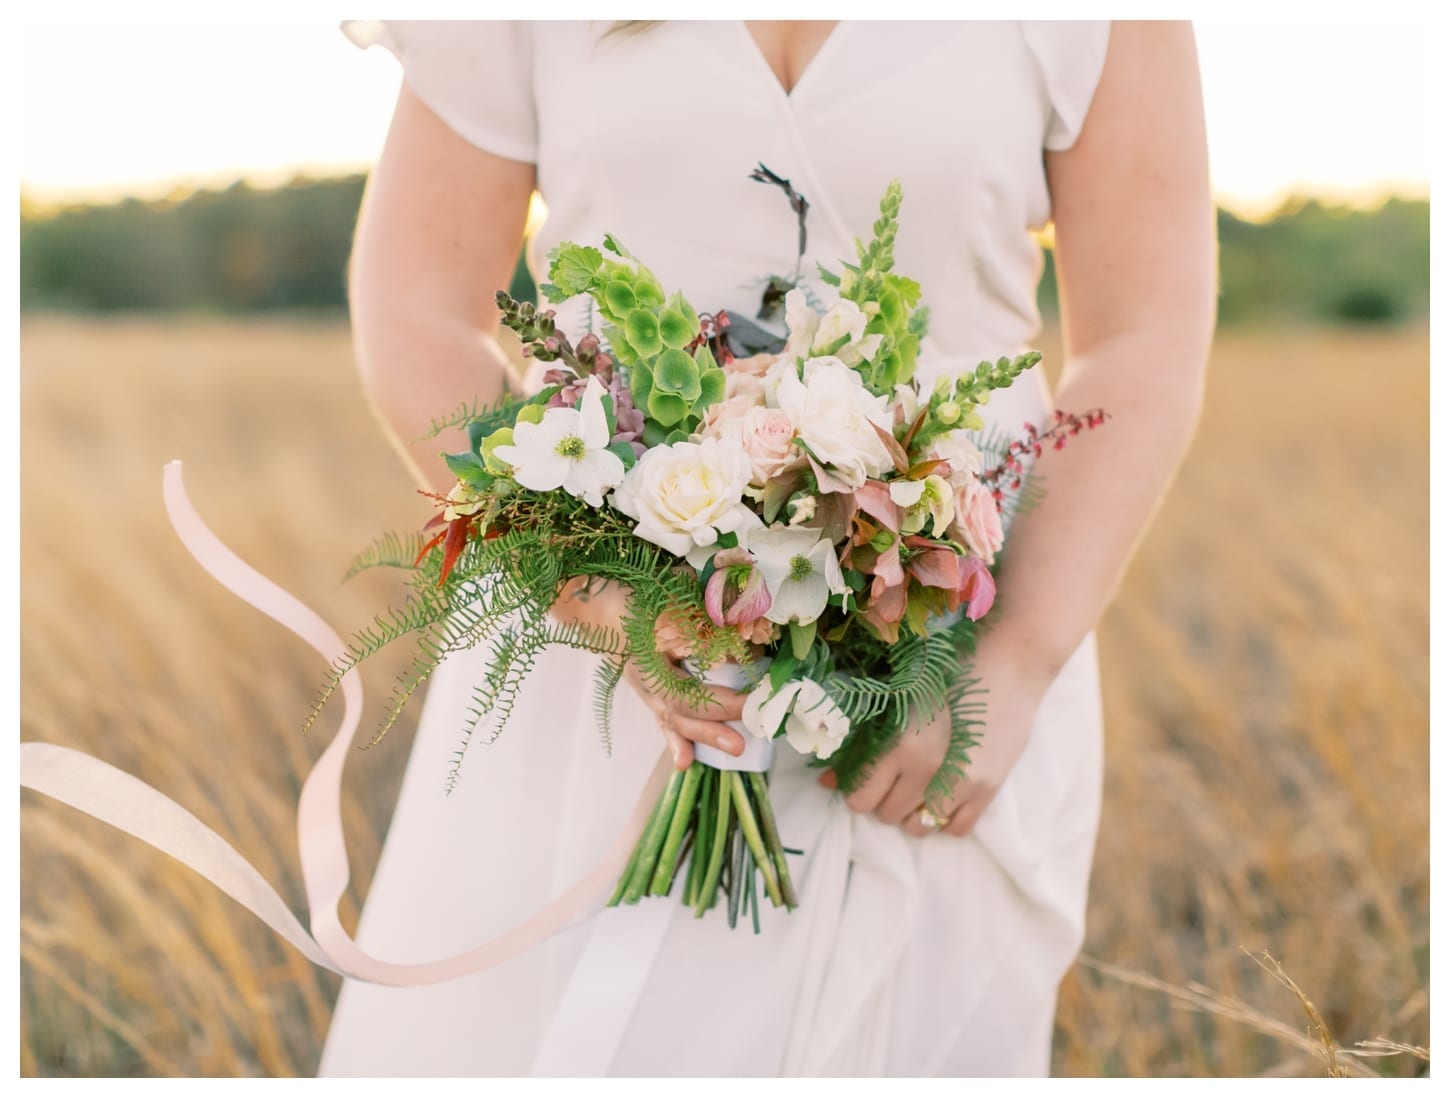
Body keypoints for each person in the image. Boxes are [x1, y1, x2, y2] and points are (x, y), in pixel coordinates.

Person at [320, 19, 1214, 1077]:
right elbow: (416, 304)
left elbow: (1140, 337)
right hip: (596, 653)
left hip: (946, 645)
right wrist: (592, 587)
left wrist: (1013, 660)